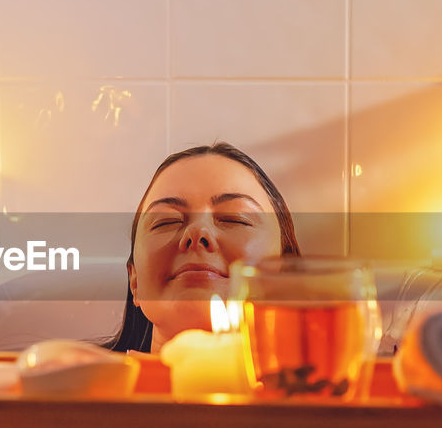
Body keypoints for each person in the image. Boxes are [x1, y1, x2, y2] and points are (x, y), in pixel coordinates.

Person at [108, 142, 300, 353]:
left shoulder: (333, 382)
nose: (197, 231)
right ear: (135, 280)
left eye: (236, 219)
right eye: (166, 221)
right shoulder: (79, 383)